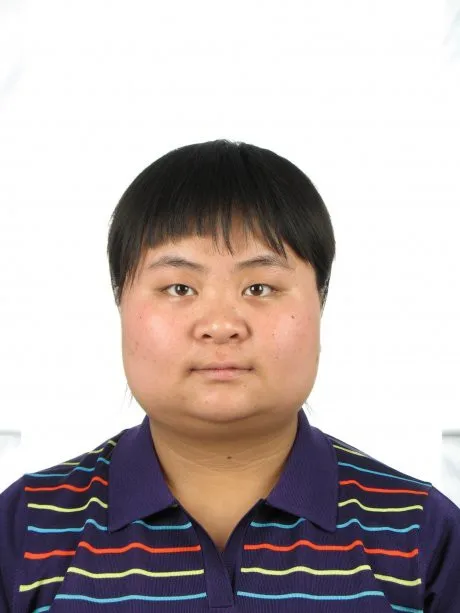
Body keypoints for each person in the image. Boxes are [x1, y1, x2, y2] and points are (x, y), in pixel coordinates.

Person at [0, 139, 459, 612]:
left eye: (259, 287)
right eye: (179, 288)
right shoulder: (26, 528)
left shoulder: (420, 534)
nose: (221, 325)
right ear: (120, 301)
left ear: (321, 301)